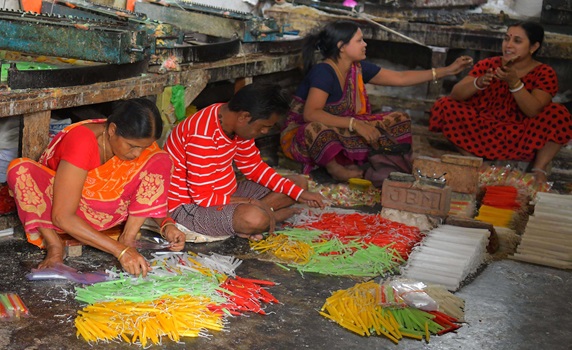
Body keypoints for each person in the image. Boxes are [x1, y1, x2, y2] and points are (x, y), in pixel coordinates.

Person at [7, 98, 186, 276]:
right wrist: (120, 251)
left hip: (112, 211)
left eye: (143, 147)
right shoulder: (83, 141)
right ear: (112, 130)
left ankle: (128, 237)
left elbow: (148, 189)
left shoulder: (135, 144)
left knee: (160, 160)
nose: (137, 154)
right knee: (20, 171)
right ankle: (54, 245)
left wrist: (166, 224)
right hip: (66, 212)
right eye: (132, 146)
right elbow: (62, 216)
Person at [280, 20, 473, 182]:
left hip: (339, 130)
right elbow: (311, 113)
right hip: (304, 138)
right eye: (359, 40)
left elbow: (401, 78)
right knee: (315, 128)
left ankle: (383, 164)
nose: (365, 44)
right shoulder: (324, 72)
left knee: (399, 120)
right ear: (342, 46)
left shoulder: (358, 68)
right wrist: (355, 124)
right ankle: (335, 169)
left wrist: (446, 70)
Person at [163, 83, 326, 242]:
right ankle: (267, 218)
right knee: (253, 218)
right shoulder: (201, 135)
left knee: (299, 184)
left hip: (227, 194)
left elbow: (253, 167)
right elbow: (203, 198)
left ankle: (263, 217)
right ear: (244, 117)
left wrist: (299, 194)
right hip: (190, 208)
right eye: (263, 126)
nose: (265, 131)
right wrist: (250, 202)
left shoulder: (234, 123)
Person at [429, 21, 572, 183]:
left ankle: (539, 168)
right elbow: (455, 94)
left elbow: (533, 110)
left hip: (521, 133)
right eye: (506, 39)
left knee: (559, 114)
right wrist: (479, 82)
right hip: (484, 128)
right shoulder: (489, 64)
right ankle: (475, 161)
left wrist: (515, 83)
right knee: (444, 105)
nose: (508, 45)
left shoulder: (545, 73)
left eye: (517, 41)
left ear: (533, 47)